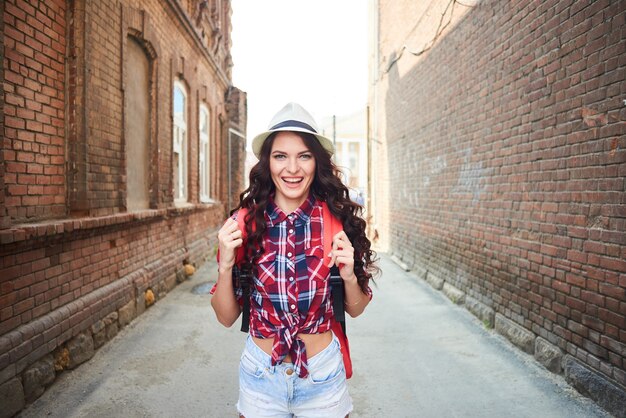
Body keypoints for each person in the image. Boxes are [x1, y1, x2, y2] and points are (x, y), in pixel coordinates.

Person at [211, 102, 378, 418]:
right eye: (280, 156)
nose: (292, 168)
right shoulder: (243, 224)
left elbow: (355, 309)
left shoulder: (337, 221)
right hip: (260, 379)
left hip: (322, 376)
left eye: (304, 156)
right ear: (267, 163)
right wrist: (226, 265)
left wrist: (349, 276)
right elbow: (225, 317)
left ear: (317, 162)